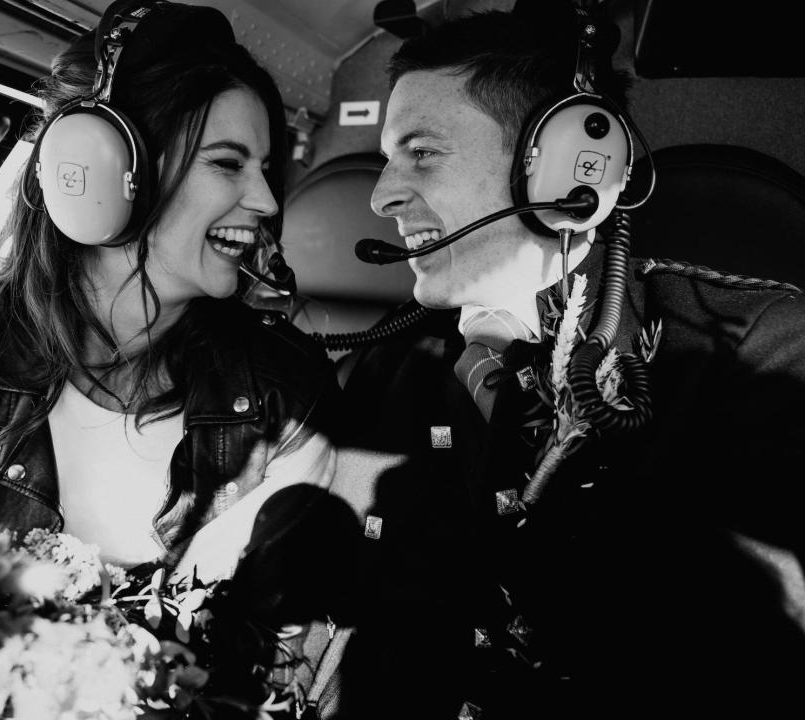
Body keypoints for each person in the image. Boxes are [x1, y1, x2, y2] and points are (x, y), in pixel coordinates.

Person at [338, 2, 805, 715]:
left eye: (422, 152)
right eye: (386, 159)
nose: (380, 196)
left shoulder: (760, 352)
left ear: (566, 169)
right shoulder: (389, 370)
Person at [0, 3, 358, 703]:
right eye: (228, 163)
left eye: (265, 168)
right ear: (112, 168)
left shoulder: (286, 397)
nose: (268, 200)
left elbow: (269, 660)